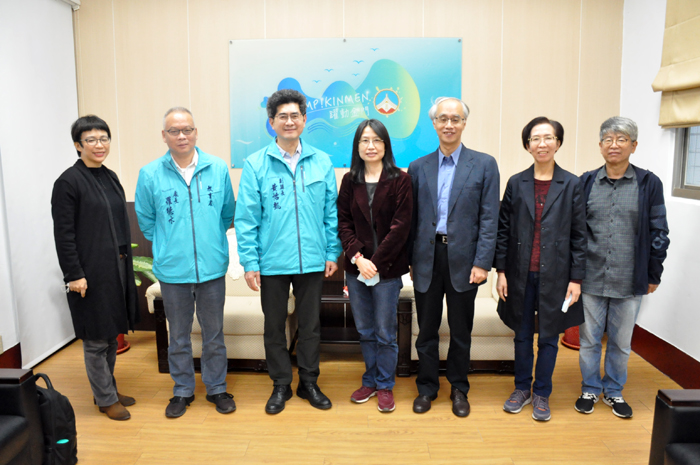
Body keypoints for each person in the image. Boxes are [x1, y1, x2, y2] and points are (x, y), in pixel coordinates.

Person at [235, 89, 342, 414]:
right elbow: (246, 218)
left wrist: (332, 252)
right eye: (282, 116)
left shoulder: (321, 161)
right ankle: (280, 383)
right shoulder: (256, 164)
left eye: (295, 115)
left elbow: (331, 213)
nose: (289, 121)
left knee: (310, 327)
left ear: (305, 120)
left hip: (312, 259)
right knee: (274, 327)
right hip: (272, 262)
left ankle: (309, 382)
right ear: (272, 122)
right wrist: (250, 262)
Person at [135, 107, 236, 418]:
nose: (182, 136)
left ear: (196, 132)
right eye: (174, 131)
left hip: (211, 267)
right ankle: (182, 390)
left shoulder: (217, 167)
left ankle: (216, 387)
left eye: (187, 129)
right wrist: (169, 244)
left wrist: (209, 241)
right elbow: (146, 220)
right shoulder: (150, 173)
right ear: (164, 136)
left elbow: (227, 213)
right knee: (178, 336)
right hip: (173, 270)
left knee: (213, 334)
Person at [407, 97, 500, 417]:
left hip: (465, 260)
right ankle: (427, 387)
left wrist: (482, 262)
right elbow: (412, 218)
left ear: (464, 123)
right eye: (443, 119)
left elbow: (490, 218)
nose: (449, 124)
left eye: (455, 119)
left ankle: (459, 388)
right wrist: (410, 260)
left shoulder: (484, 164)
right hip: (426, 257)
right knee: (426, 331)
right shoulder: (418, 167)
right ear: (434, 123)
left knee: (461, 332)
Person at [575, 116, 670, 419]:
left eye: (621, 139)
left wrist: (653, 273)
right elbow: (574, 232)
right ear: (600, 145)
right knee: (589, 340)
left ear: (634, 145)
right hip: (590, 277)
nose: (614, 145)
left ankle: (614, 391)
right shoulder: (586, 182)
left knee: (620, 341)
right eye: (608, 139)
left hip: (630, 279)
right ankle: (590, 388)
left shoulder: (648, 183)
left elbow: (659, 231)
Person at [494, 116, 587, 421]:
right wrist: (501, 272)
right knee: (522, 336)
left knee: (548, 337)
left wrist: (576, 279)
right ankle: (521, 388)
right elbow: (503, 230)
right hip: (520, 274)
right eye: (535, 138)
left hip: (557, 276)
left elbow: (579, 235)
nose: (542, 144)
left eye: (548, 138)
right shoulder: (516, 182)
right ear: (527, 145)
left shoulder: (572, 184)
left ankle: (542, 393)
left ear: (558, 143)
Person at [51, 115, 140, 421]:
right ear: (78, 145)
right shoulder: (68, 182)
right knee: (96, 339)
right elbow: (63, 234)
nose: (99, 145)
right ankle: (105, 398)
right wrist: (74, 274)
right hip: (89, 273)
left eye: (104, 138)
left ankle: (107, 390)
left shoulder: (109, 176)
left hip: (115, 268)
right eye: (91, 140)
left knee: (111, 333)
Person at [337, 119, 412, 413]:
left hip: (388, 270)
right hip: (356, 269)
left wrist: (375, 263)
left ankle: (385, 385)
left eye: (376, 140)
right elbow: (343, 223)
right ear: (357, 146)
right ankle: (369, 380)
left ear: (385, 145)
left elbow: (401, 228)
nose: (371, 146)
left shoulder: (400, 180)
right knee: (365, 330)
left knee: (385, 333)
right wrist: (358, 258)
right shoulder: (349, 180)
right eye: (365, 140)